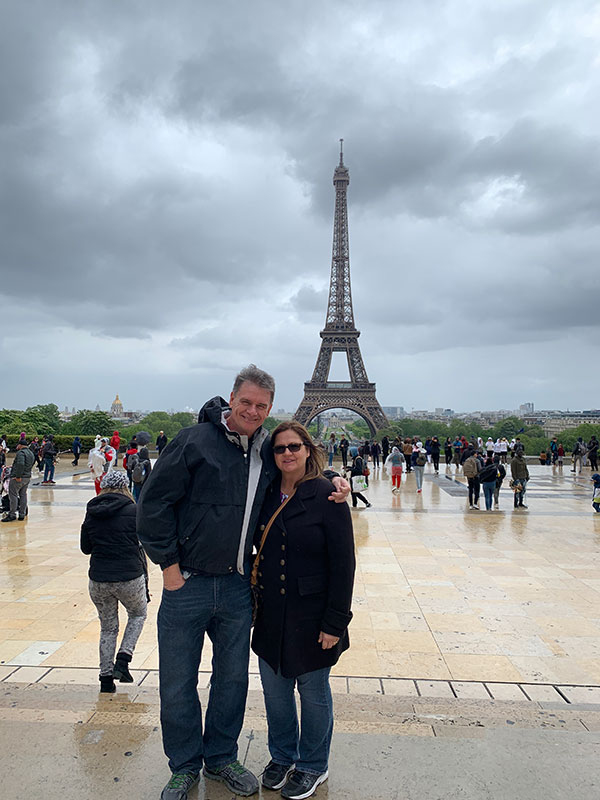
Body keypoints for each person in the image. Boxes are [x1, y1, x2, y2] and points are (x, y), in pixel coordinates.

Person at [136, 365, 350, 800]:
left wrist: (333, 480)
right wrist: (169, 568)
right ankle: (183, 766)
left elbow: (298, 476)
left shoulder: (267, 449)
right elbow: (153, 503)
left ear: (270, 408)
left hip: (237, 587)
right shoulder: (193, 441)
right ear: (231, 398)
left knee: (231, 680)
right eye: (246, 402)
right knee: (177, 681)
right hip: (188, 583)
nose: (253, 411)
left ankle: (220, 758)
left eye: (262, 406)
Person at [252, 422, 355, 799]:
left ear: (308, 450)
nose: (288, 454)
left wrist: (335, 623)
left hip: (313, 617)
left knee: (313, 694)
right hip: (271, 613)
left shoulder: (328, 495)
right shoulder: (265, 494)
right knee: (275, 695)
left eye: (295, 446)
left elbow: (344, 565)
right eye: (280, 448)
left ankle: (313, 763)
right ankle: (282, 756)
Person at [80, 471, 149, 693]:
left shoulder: (91, 511)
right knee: (138, 614)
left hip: (99, 578)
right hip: (129, 576)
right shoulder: (134, 510)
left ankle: (105, 679)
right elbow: (144, 541)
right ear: (125, 486)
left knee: (108, 628)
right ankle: (124, 659)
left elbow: (85, 548)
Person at [1, 440, 35, 522]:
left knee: (13, 495)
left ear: (20, 445)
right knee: (23, 495)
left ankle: (12, 514)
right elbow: (30, 463)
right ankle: (22, 514)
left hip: (19, 477)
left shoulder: (21, 453)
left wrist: (18, 476)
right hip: (27, 477)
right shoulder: (30, 453)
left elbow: (21, 464)